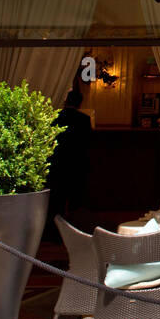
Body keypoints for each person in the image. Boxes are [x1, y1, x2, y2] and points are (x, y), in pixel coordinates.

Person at [48, 89, 93, 228]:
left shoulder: (55, 117)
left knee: (56, 198)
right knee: (75, 196)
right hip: (76, 163)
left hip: (57, 162)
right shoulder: (84, 119)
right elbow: (88, 141)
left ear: (66, 101)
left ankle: (54, 227)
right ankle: (73, 227)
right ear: (80, 103)